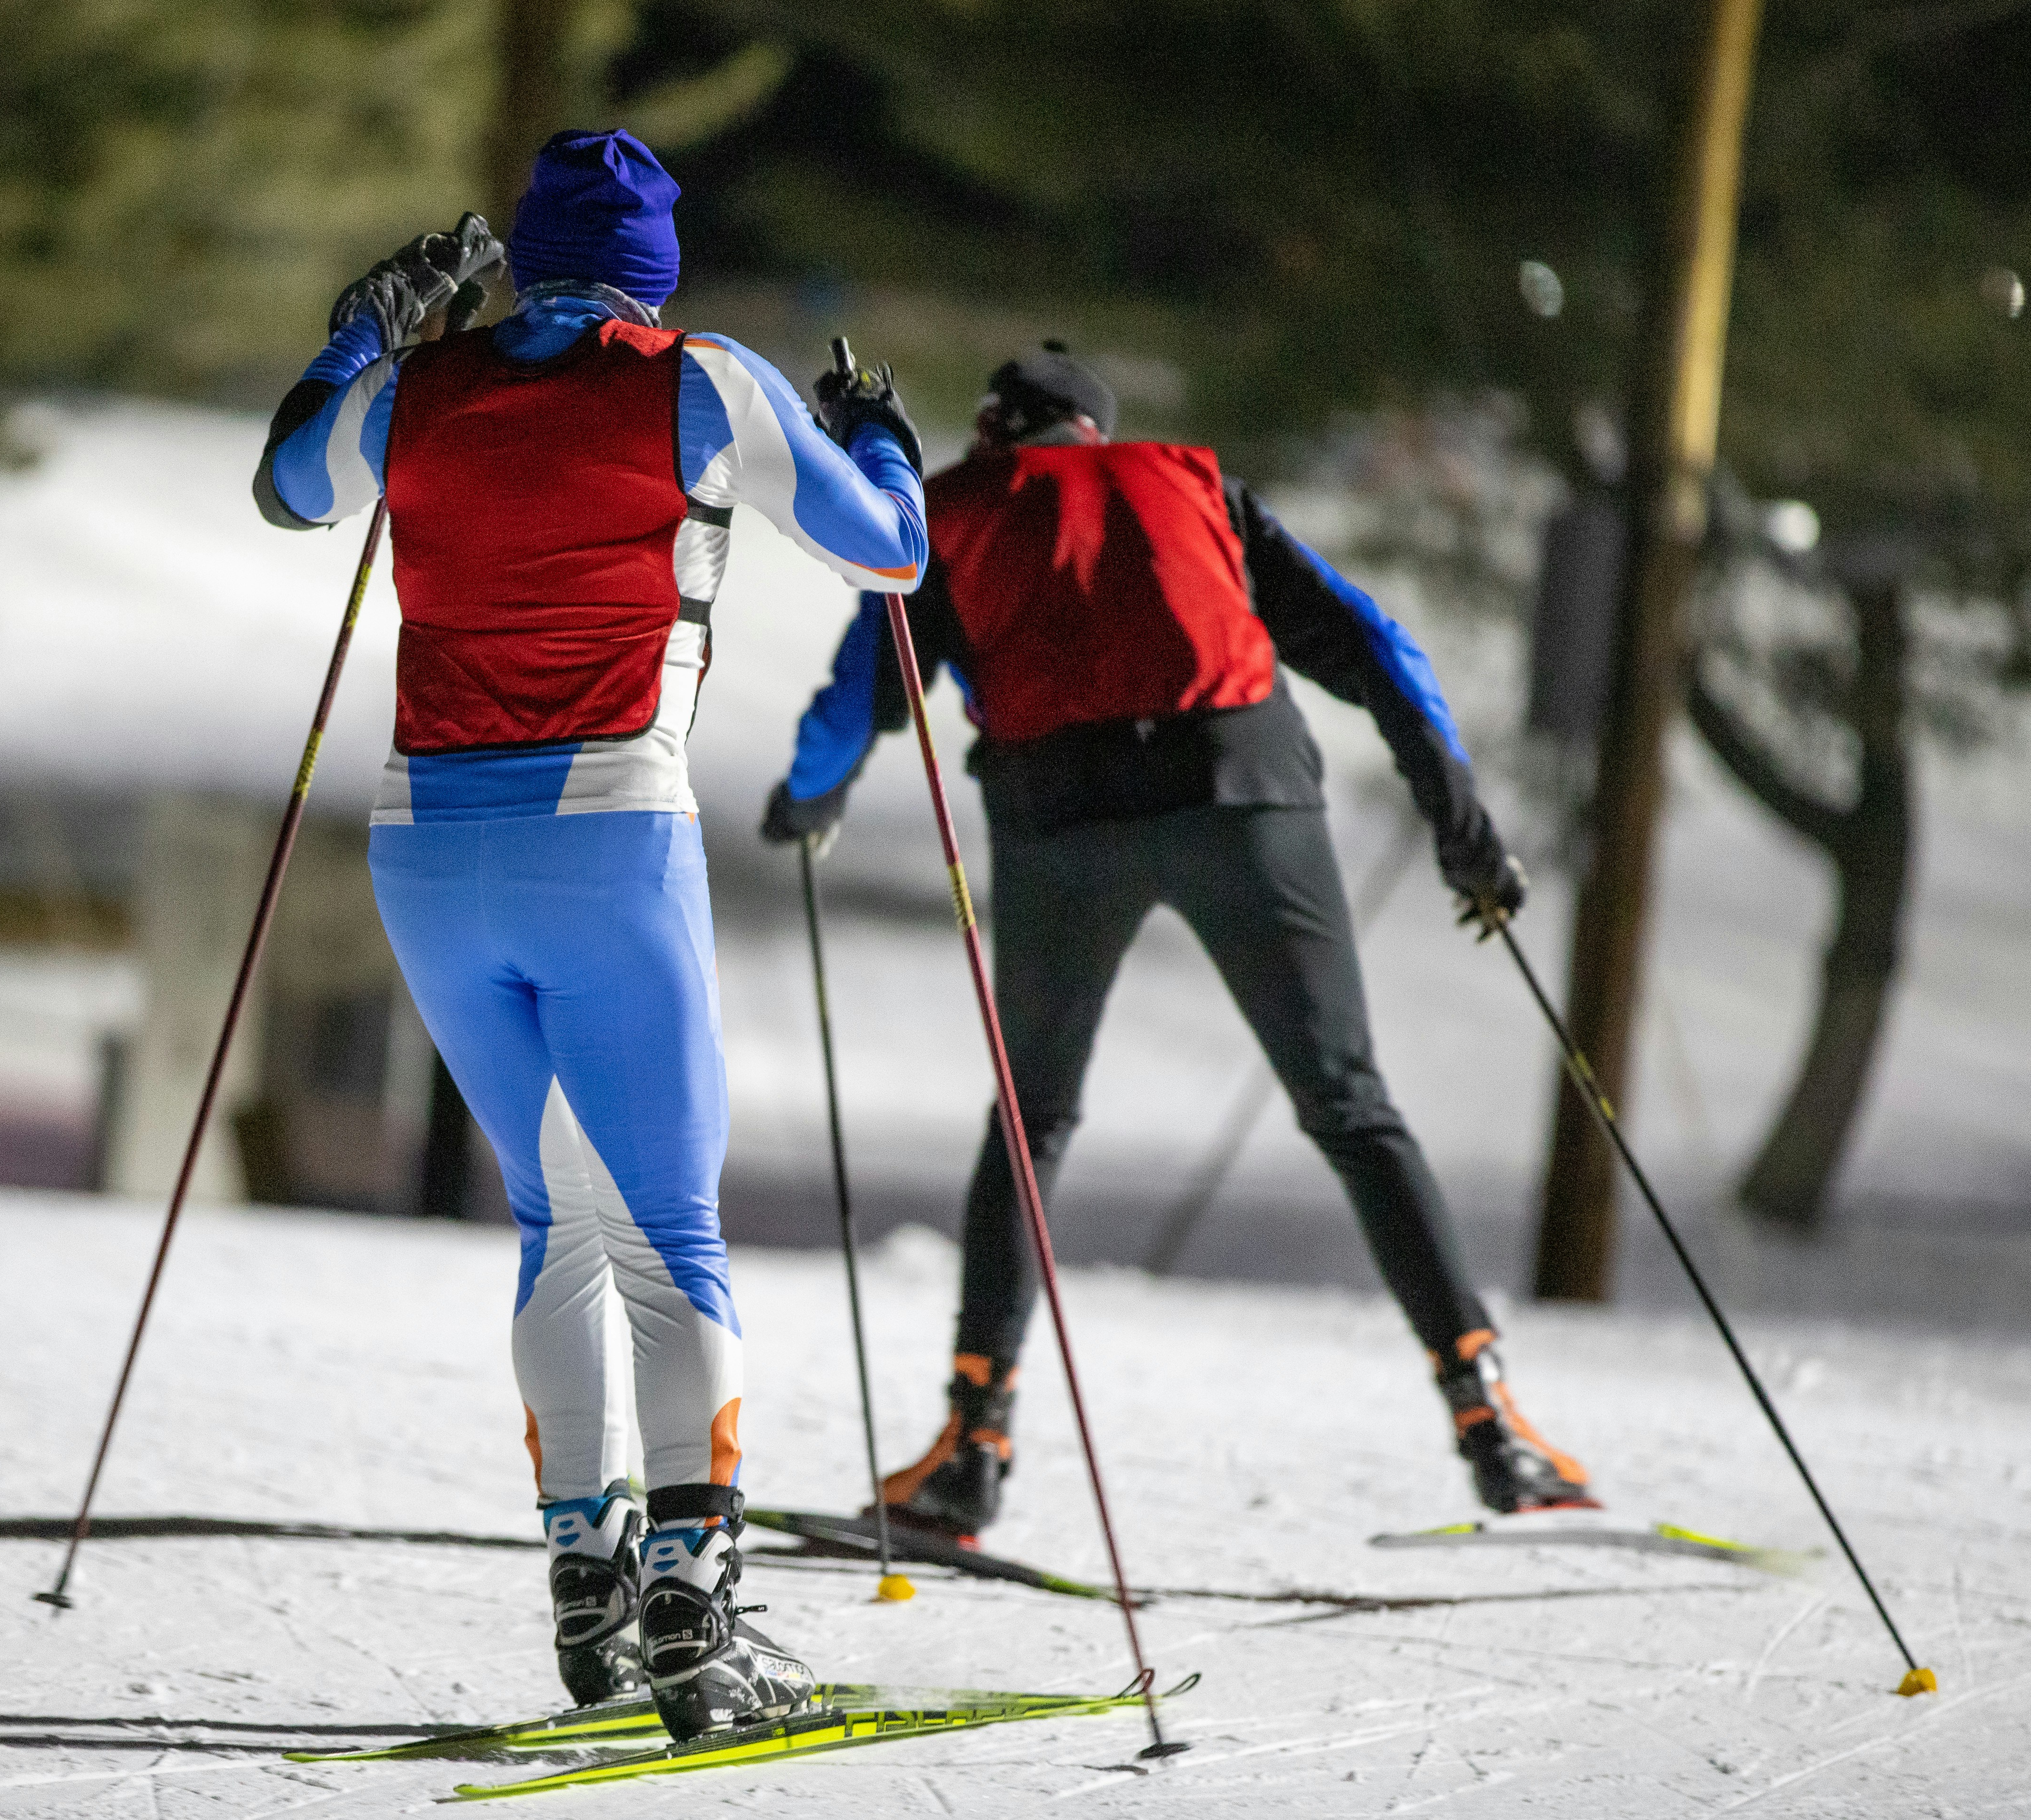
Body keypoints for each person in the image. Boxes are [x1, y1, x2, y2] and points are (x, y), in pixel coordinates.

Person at [253, 130, 927, 1736]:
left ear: (527, 254)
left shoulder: (422, 389)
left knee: (558, 1216)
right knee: (666, 1231)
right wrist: (881, 431)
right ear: (653, 269)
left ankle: (587, 1572)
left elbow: (286, 485)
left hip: (429, 849)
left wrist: (366, 329)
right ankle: (695, 1605)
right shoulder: (703, 380)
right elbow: (892, 548)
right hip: (609, 835)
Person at [761, 343, 1594, 1541]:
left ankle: (972, 1448)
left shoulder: (951, 509)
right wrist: (1458, 823)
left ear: (997, 428)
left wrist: (808, 798)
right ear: (1095, 434)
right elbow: (1369, 647)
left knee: (1032, 1118)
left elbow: (864, 692)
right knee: (1349, 1105)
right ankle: (1491, 1422)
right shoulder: (1195, 484)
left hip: (1061, 820)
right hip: (1242, 791)